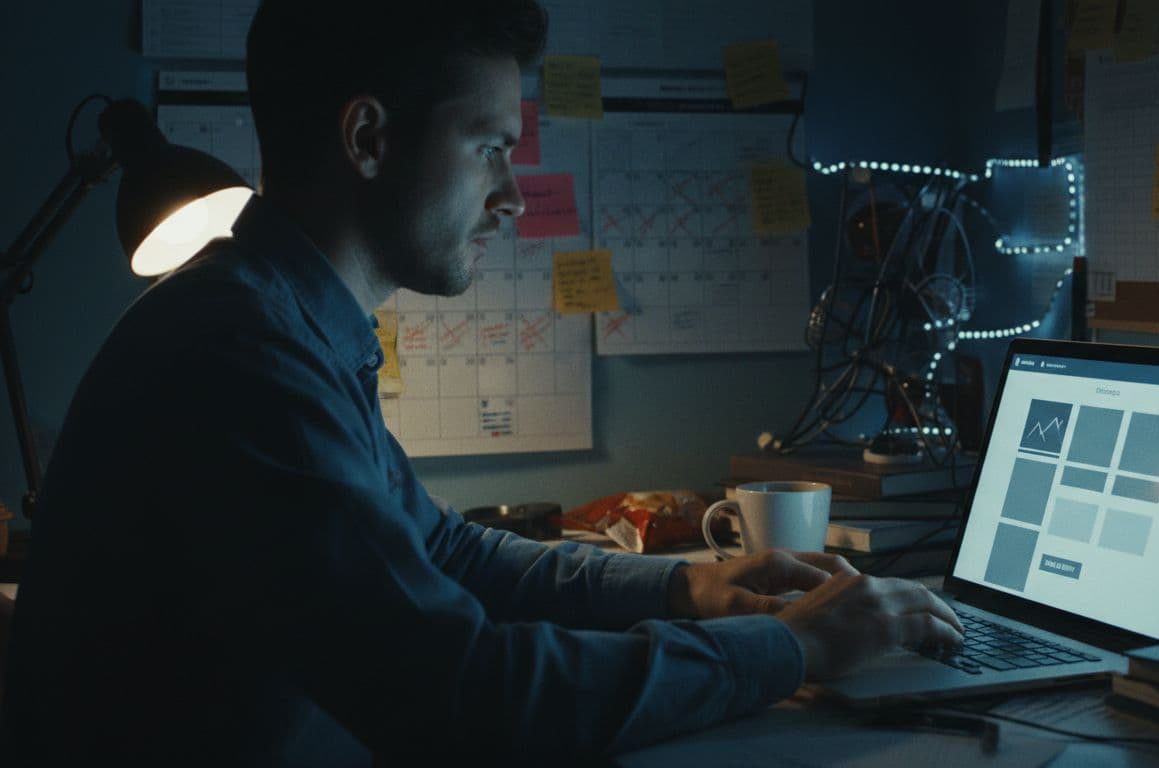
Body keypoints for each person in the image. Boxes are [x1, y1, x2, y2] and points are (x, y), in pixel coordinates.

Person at [1, 1, 963, 763]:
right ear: (368, 137)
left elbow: (443, 554)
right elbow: (466, 695)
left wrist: (692, 588)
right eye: (492, 146)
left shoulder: (279, 319)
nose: (510, 191)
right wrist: (795, 648)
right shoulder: (242, 358)